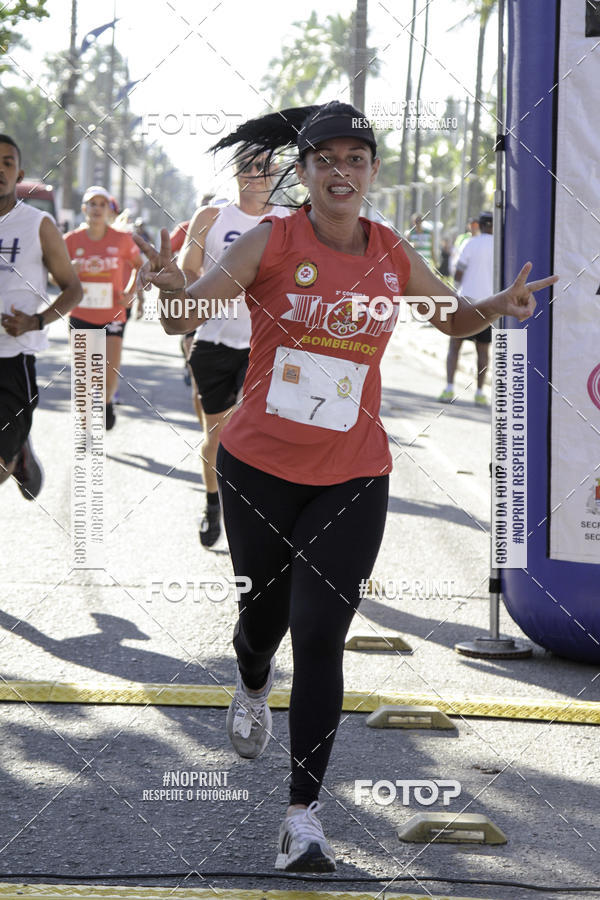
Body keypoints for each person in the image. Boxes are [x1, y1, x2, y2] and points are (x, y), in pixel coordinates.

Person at [134, 101, 557, 873]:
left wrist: (495, 308)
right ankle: (252, 676)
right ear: (305, 172)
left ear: (369, 173)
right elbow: (187, 315)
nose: (341, 171)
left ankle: (303, 818)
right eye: (325, 159)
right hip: (258, 463)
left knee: (322, 632)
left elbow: (447, 316)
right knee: (262, 619)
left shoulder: (391, 253)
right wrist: (171, 288)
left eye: (354, 158)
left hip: (354, 472)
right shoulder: (273, 239)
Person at [177, 158, 288, 548]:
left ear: (275, 173)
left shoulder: (291, 219)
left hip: (268, 346)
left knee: (261, 434)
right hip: (216, 342)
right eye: (247, 164)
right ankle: (213, 502)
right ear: (236, 170)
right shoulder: (210, 217)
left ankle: (259, 517)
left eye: (264, 166)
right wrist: (208, 294)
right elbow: (188, 270)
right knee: (217, 436)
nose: (255, 173)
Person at [0, 134, 82, 499]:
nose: (0, 169)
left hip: (12, 359)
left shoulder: (38, 224)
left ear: (19, 174)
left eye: (7, 163)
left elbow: (73, 289)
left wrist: (35, 322)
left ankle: (17, 456)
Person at [65, 186, 142, 429]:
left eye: (102, 204)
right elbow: (54, 277)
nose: (97, 208)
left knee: (107, 375)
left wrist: (131, 292)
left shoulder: (121, 239)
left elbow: (140, 266)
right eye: (92, 203)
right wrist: (69, 271)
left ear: (109, 210)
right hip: (80, 313)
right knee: (84, 374)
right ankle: (86, 426)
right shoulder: (71, 241)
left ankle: (106, 402)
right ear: (84, 208)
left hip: (113, 315)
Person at [439, 210, 494, 405]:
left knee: (455, 346)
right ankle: (479, 392)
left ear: (479, 225)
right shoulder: (500, 246)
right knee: (483, 350)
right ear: (494, 226)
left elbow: (459, 273)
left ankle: (449, 388)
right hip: (489, 304)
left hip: (466, 301)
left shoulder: (471, 243)